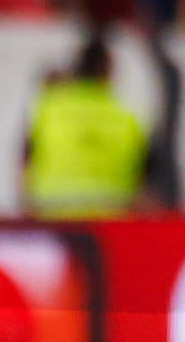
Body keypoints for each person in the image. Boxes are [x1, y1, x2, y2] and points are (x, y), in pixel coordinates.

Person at [23, 35, 149, 219]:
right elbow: (143, 181)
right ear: (109, 73)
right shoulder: (129, 117)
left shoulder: (48, 109)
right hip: (110, 223)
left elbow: (25, 166)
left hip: (54, 219)